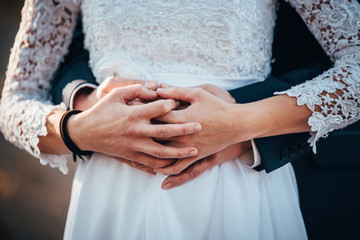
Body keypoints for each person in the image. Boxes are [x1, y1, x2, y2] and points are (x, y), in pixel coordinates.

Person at [1, 0, 359, 239]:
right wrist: (79, 128)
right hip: (111, 190)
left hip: (234, 181)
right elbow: (15, 99)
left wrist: (241, 121)